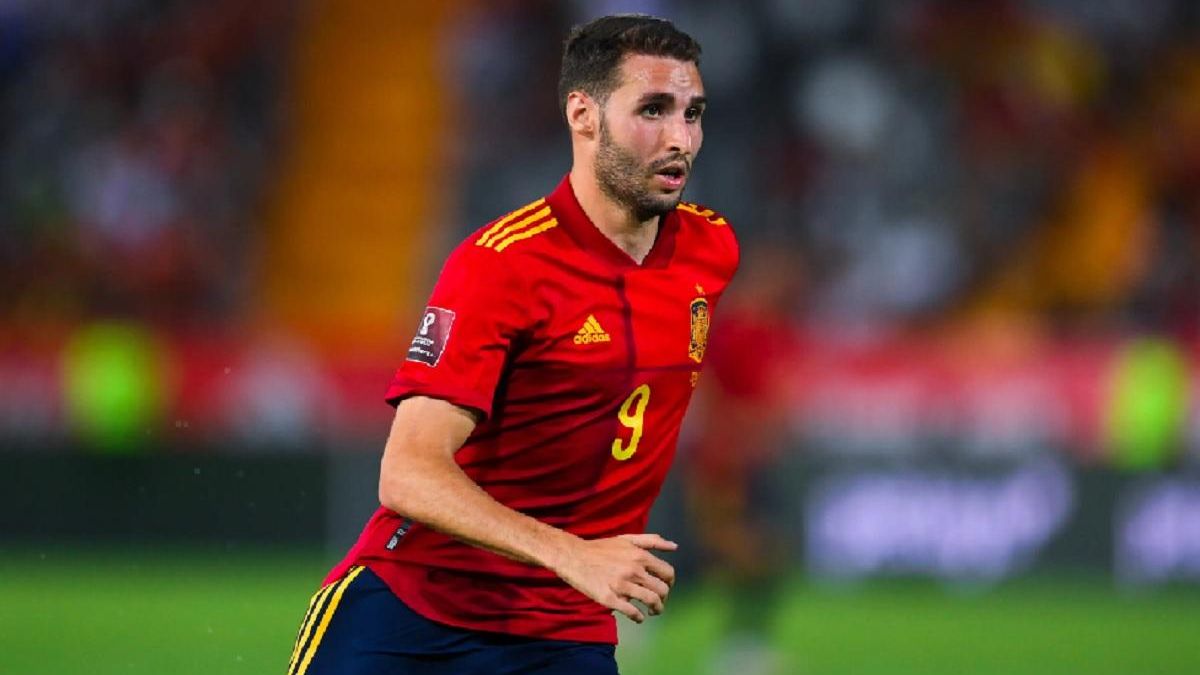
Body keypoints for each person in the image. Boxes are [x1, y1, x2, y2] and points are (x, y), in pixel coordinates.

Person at [287, 14, 739, 675]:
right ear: (583, 115)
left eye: (692, 112)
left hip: (564, 633)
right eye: (653, 110)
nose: (681, 138)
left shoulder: (711, 249)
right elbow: (407, 471)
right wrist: (572, 553)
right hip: (411, 613)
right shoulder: (500, 265)